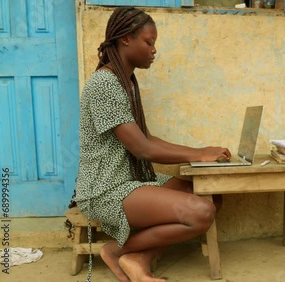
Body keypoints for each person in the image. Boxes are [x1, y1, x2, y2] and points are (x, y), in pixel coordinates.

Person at [71, 7, 230, 282]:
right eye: (149, 42)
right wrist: (200, 154)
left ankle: (137, 258)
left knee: (212, 193)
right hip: (106, 188)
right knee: (201, 212)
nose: (154, 50)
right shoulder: (104, 85)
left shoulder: (125, 83)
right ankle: (115, 250)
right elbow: (142, 149)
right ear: (125, 40)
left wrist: (201, 152)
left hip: (133, 180)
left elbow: (145, 138)